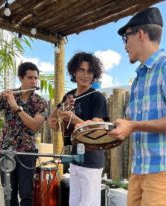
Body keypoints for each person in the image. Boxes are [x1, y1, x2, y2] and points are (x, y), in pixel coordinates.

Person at [108, 7, 166, 206]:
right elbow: (130, 123)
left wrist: (134, 126)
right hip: (139, 169)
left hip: (163, 170)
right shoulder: (139, 79)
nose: (125, 46)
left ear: (140, 35)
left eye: (126, 38)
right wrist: (98, 125)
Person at [0, 62, 48, 206]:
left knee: (26, 194)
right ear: (21, 78)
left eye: (36, 78)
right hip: (6, 150)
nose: (34, 81)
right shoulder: (6, 96)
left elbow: (35, 126)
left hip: (27, 152)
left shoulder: (40, 102)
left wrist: (16, 107)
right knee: (9, 192)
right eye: (30, 78)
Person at [48, 52, 109, 206]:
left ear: (94, 75)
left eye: (89, 71)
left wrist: (75, 120)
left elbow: (96, 131)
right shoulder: (68, 97)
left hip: (92, 160)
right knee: (74, 202)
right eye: (81, 70)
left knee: (88, 203)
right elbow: (57, 120)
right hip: (75, 158)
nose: (85, 75)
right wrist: (55, 123)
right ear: (74, 71)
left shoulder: (97, 97)